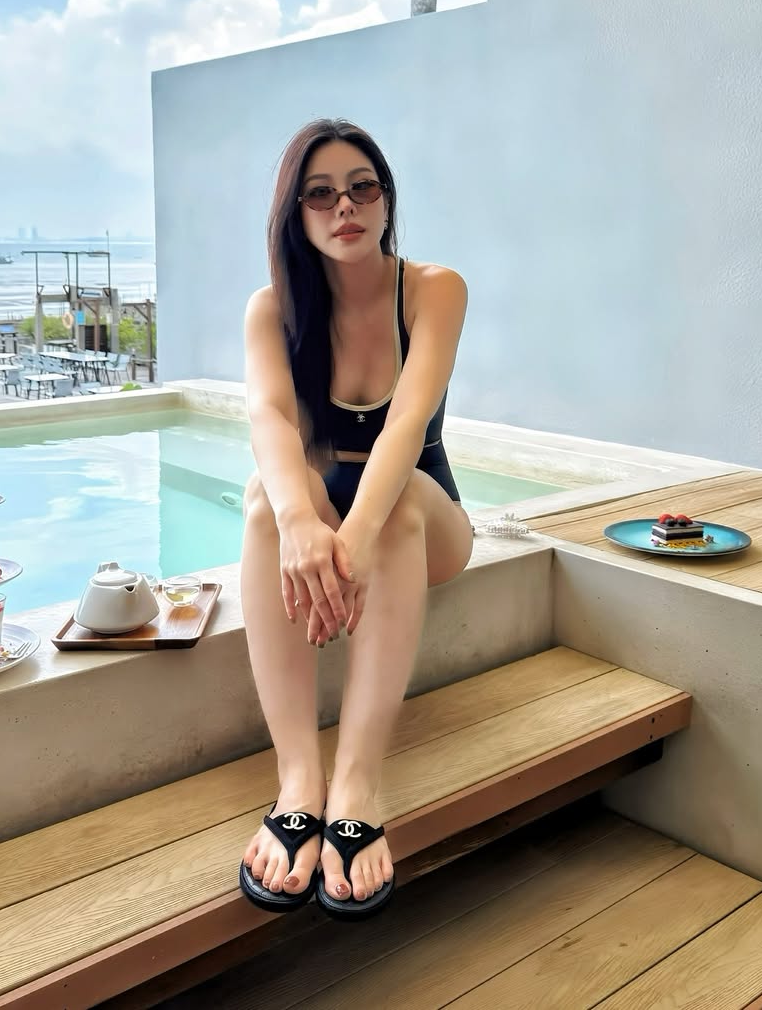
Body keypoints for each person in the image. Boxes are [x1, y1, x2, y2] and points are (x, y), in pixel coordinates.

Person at [237, 118, 474, 922]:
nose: (345, 205)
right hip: (327, 505)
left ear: (386, 199)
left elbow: (407, 425)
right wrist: (301, 523)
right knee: (263, 500)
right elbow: (271, 419)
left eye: (362, 186)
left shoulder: (435, 289)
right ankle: (299, 779)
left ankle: (358, 785)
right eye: (321, 193)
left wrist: (356, 535)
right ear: (295, 215)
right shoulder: (272, 310)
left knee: (394, 503)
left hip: (422, 515)